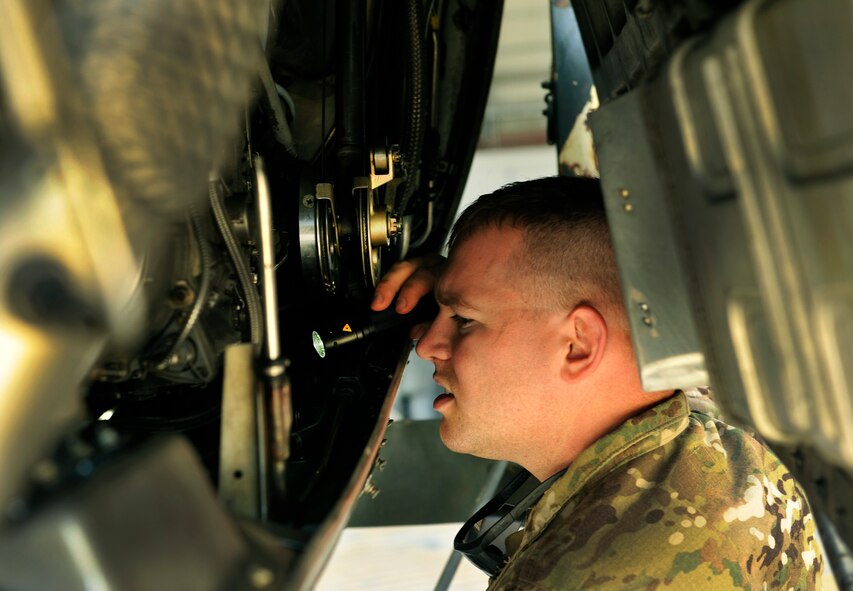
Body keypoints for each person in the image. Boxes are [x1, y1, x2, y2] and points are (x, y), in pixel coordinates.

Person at [371, 176, 827, 590]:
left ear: (579, 345)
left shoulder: (599, 578)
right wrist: (461, 289)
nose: (428, 344)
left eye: (465, 322)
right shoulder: (715, 423)